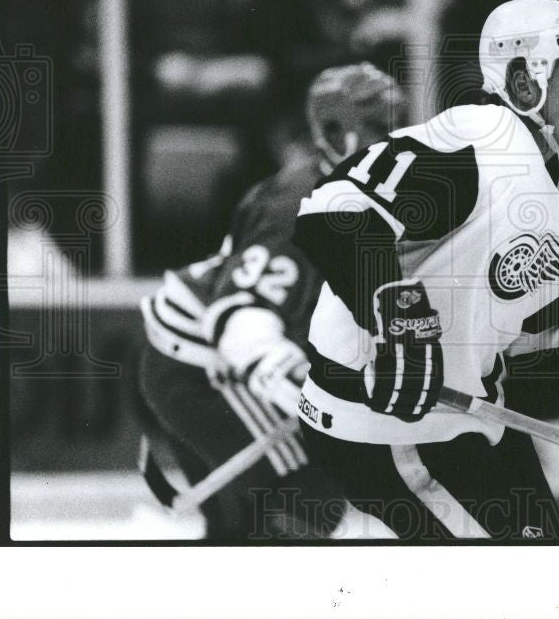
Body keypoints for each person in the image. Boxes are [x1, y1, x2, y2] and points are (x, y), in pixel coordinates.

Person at [292, 0, 559, 540]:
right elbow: (332, 212)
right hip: (372, 422)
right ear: (526, 82)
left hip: (474, 416)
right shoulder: (472, 142)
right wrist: (399, 315)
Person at [137, 63, 408, 540]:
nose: (400, 141)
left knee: (246, 524)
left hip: (219, 359)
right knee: (308, 498)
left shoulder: (375, 199)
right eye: (381, 129)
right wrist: (291, 378)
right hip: (203, 365)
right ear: (332, 132)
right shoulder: (299, 205)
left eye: (402, 125)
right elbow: (241, 314)